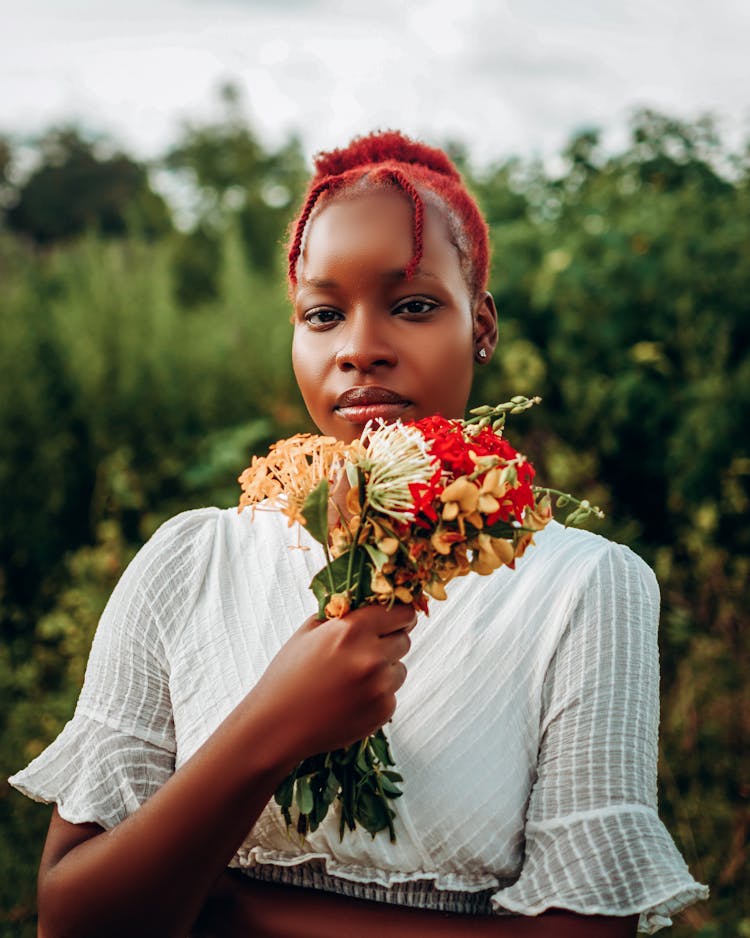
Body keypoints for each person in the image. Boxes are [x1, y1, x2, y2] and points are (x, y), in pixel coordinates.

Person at [9, 131, 707, 938]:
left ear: (481, 325)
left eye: (412, 305)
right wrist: (271, 729)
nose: (361, 349)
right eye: (323, 313)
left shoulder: (584, 587)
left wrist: (239, 908)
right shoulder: (191, 562)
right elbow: (69, 919)